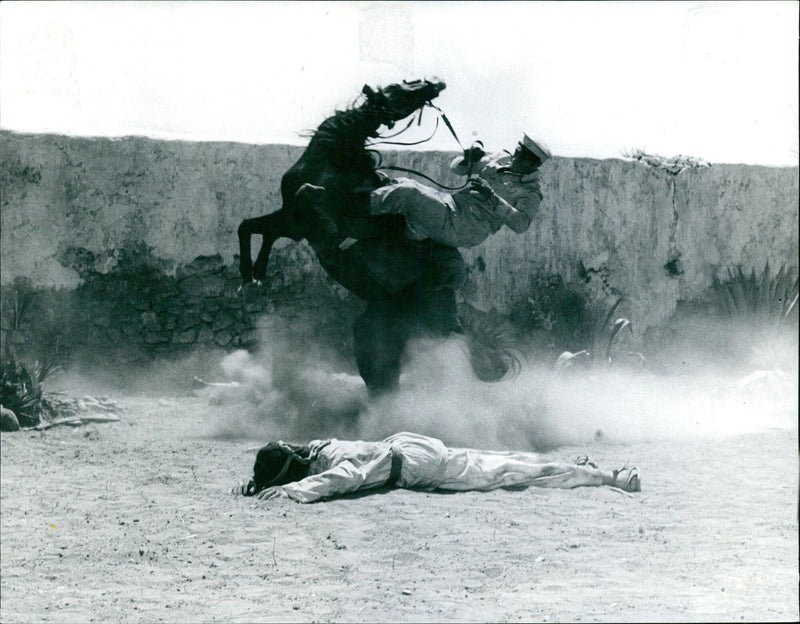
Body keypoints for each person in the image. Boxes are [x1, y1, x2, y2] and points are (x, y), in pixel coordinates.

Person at [297, 133, 550, 250]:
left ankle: (333, 205)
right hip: (450, 202)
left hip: (463, 227)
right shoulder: (500, 158)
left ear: (534, 164)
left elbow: (522, 224)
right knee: (393, 182)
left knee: (408, 195)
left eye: (523, 156)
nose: (516, 156)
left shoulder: (530, 192)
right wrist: (467, 159)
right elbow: (457, 171)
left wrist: (492, 200)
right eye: (518, 149)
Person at [231, 432, 641, 503]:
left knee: (510, 473)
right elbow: (315, 468)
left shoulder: (331, 461)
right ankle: (580, 467)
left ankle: (608, 477)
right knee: (502, 461)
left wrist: (291, 490)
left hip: (418, 462)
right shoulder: (321, 448)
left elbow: (341, 480)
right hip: (411, 448)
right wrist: (258, 485)